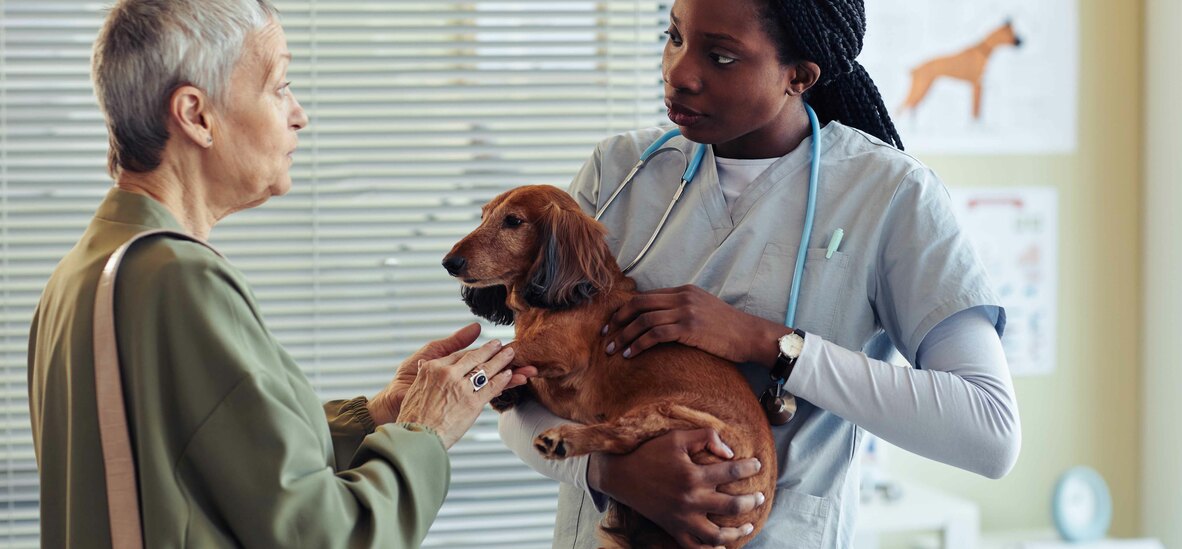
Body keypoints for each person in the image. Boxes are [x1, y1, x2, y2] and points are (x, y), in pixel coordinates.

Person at [497, 0, 1022, 547]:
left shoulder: (891, 196)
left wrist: (763, 341)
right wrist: (608, 471)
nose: (679, 72)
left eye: (721, 57)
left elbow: (988, 432)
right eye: (673, 35)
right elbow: (515, 391)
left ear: (799, 75)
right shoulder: (618, 173)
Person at [26, 1, 536, 547]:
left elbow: (208, 464)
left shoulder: (86, 270)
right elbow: (324, 536)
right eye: (279, 85)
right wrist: (426, 432)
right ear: (197, 115)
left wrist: (379, 415)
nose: (298, 114)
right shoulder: (178, 281)